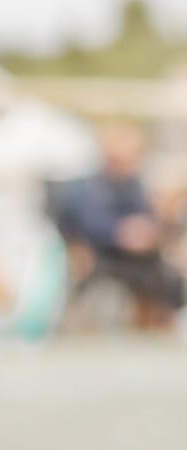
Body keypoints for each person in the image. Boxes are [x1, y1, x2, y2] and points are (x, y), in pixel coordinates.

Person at [59, 123, 183, 329]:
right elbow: (90, 223)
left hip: (140, 256)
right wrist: (121, 233)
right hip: (103, 253)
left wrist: (150, 228)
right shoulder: (93, 186)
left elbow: (147, 216)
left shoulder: (134, 184)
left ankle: (161, 318)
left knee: (168, 274)